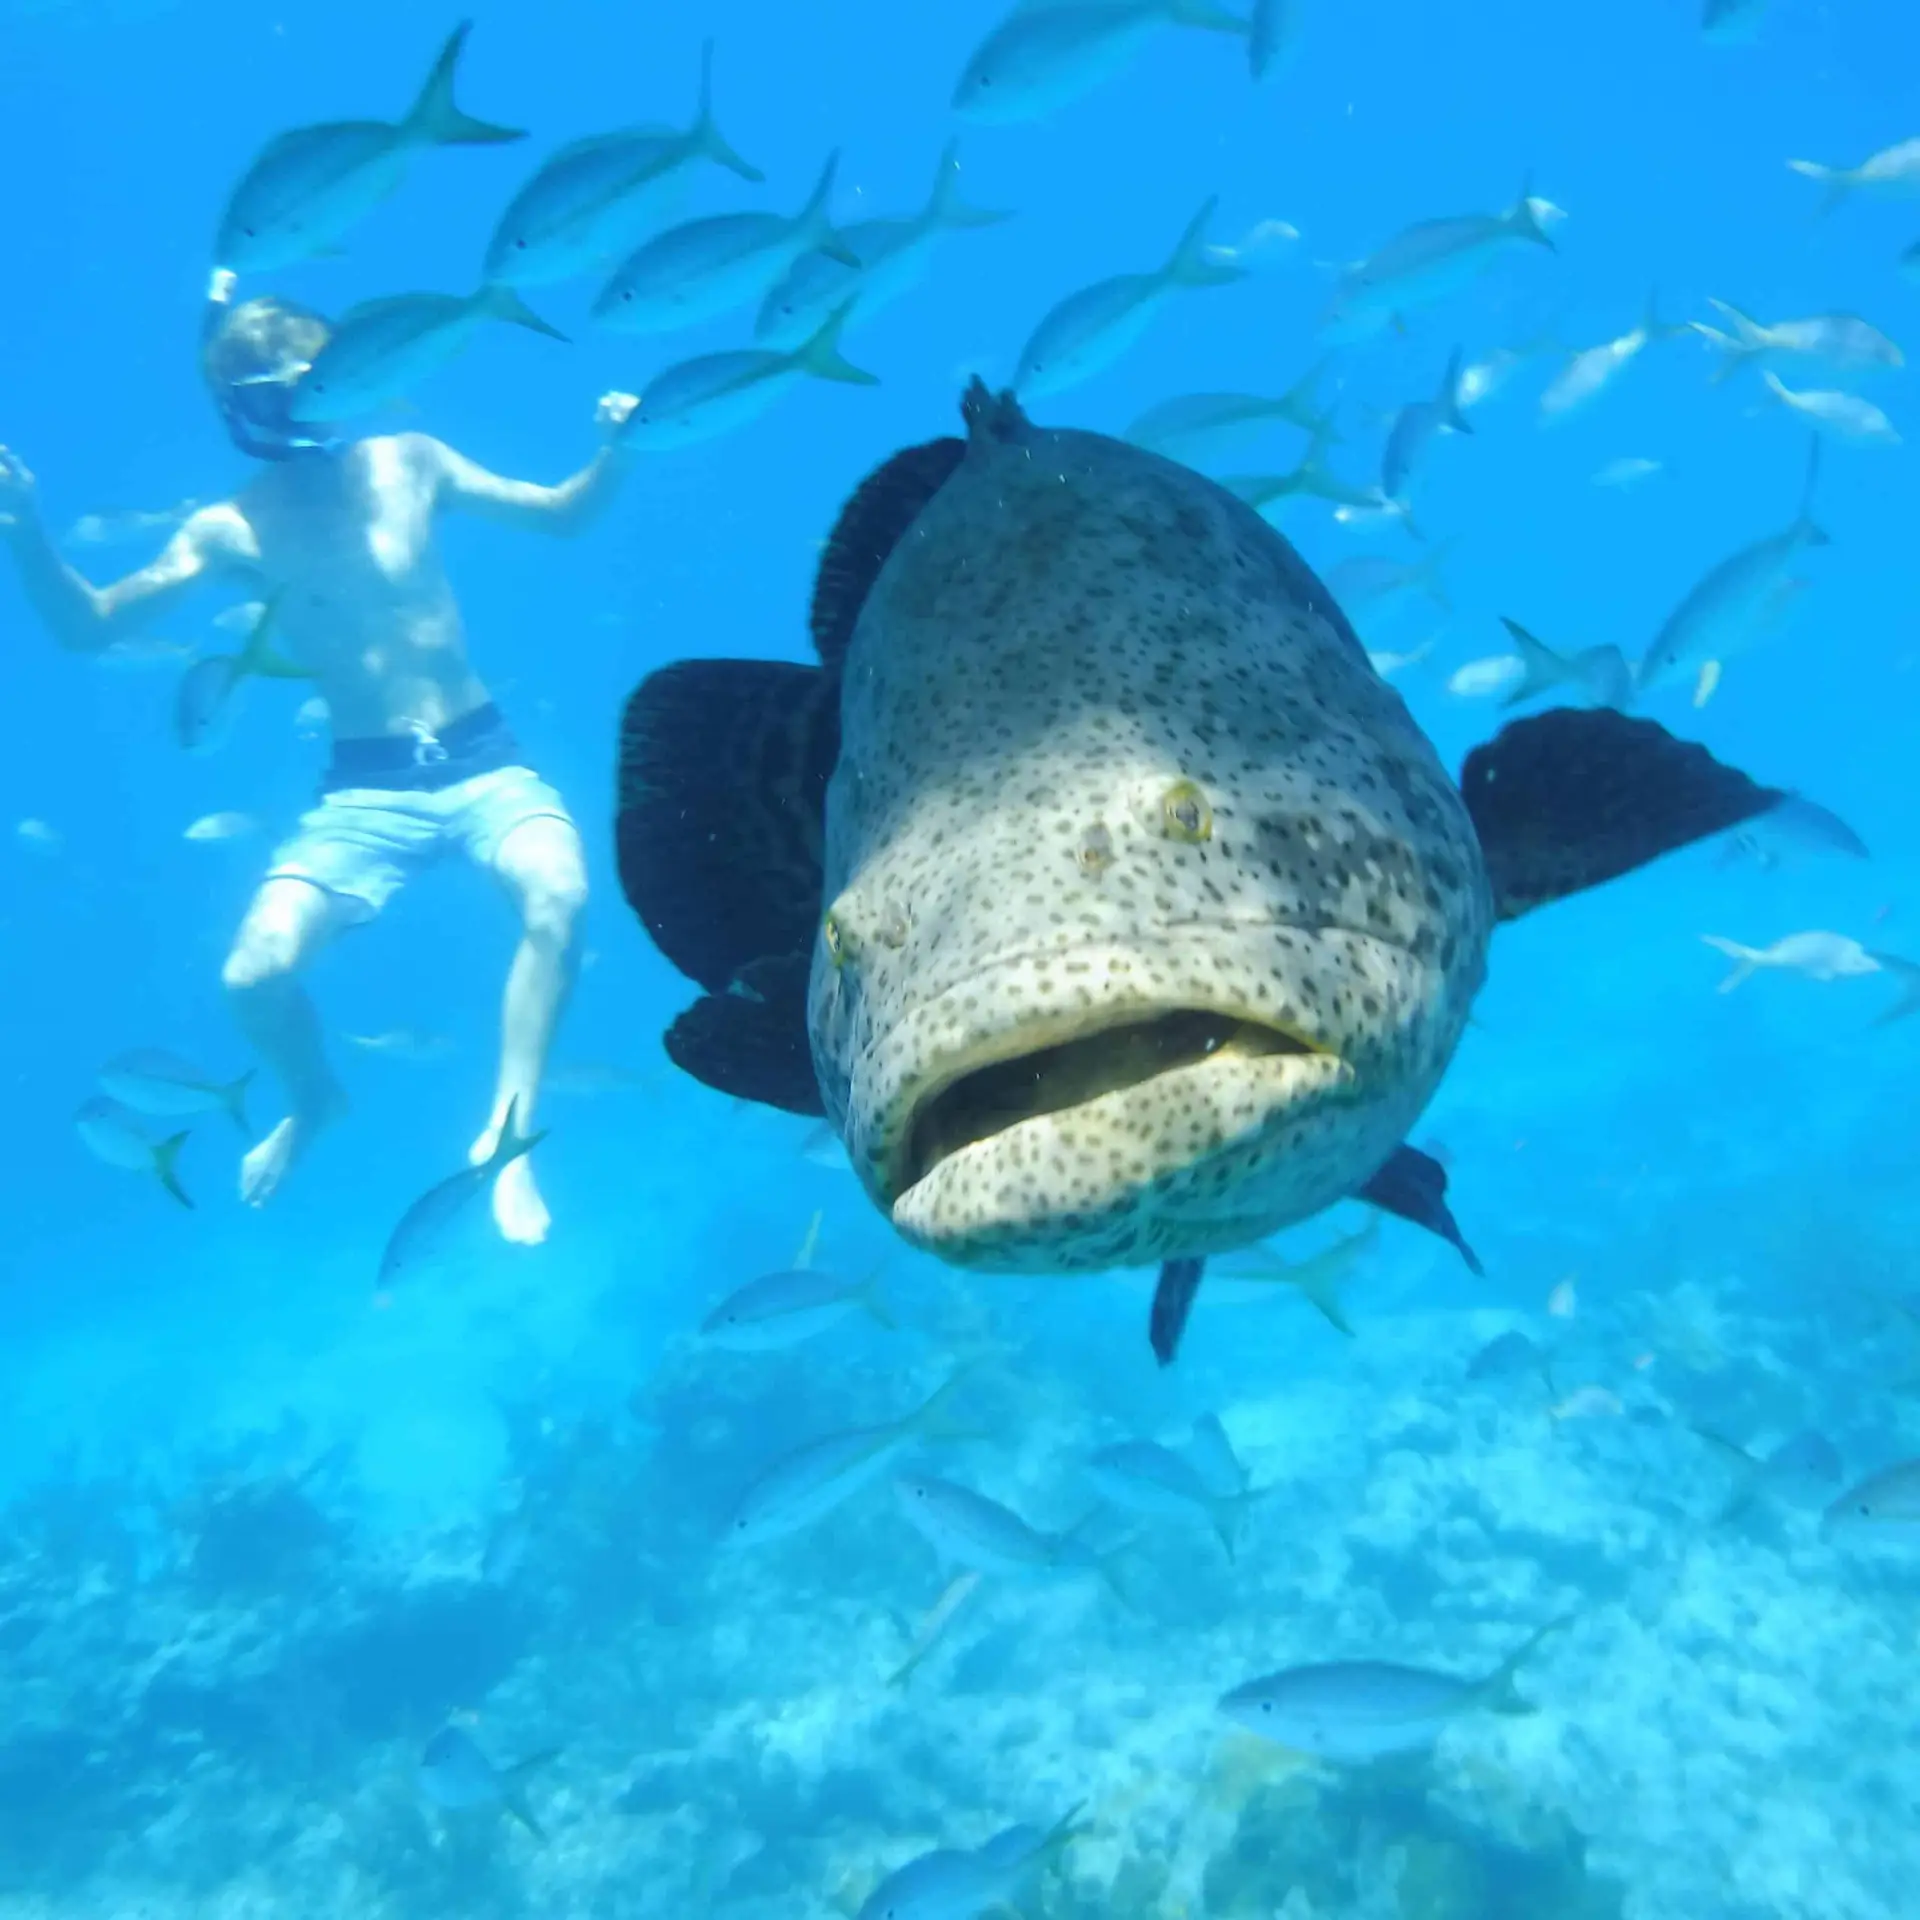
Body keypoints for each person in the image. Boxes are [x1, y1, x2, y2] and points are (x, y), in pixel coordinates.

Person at [0, 272, 638, 1246]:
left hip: (483, 761)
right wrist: (26, 533)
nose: (297, 410)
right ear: (236, 412)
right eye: (272, 397)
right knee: (250, 977)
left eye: (313, 384)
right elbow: (92, 627)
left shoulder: (411, 461)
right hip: (363, 794)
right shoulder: (228, 526)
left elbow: (560, 513)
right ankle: (315, 1100)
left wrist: (616, 450)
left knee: (559, 894)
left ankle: (508, 1134)